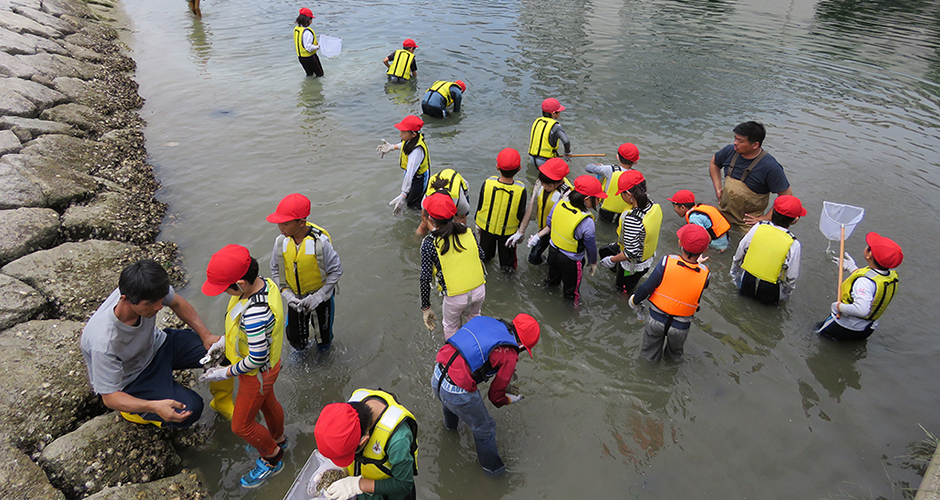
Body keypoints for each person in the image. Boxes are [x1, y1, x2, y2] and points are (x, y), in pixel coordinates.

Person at [80, 260, 219, 428]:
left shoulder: (147, 289)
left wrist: (206, 335)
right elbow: (109, 397)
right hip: (134, 376)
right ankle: (138, 413)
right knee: (191, 410)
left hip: (158, 345)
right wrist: (153, 406)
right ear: (125, 299)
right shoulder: (104, 342)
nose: (160, 307)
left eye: (160, 300)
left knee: (220, 352)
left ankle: (223, 402)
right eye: (151, 304)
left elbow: (177, 302)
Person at [200, 245, 288, 488]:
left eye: (226, 288)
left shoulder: (256, 314)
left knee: (241, 425)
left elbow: (256, 358)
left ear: (240, 284)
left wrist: (224, 372)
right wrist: (222, 344)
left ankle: (273, 457)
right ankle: (279, 439)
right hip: (270, 367)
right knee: (269, 403)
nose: (224, 293)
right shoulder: (265, 284)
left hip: (256, 373)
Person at [431, 314, 540, 475]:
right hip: (457, 391)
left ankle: (450, 430)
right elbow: (495, 397)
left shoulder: (487, 321)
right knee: (486, 429)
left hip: (438, 373)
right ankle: (494, 472)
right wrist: (508, 399)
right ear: (522, 345)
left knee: (450, 404)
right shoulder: (510, 355)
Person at [267, 193, 342, 351]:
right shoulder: (280, 242)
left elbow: (336, 270)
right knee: (294, 337)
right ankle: (299, 356)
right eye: (279, 224)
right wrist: (287, 294)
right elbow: (275, 269)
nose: (281, 228)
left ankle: (324, 359)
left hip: (321, 297)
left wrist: (319, 296)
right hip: (295, 298)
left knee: (324, 336)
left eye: (285, 224)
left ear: (301, 222)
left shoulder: (320, 243)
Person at [314, 389, 418, 500]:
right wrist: (335, 465)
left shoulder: (398, 440)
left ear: (363, 440)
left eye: (349, 455)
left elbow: (404, 485)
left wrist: (359, 485)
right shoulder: (348, 411)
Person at [629, 224, 711, 362]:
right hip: (680, 326)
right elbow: (693, 282)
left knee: (648, 356)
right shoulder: (706, 274)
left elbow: (647, 287)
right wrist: (698, 264)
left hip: (656, 320)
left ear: (680, 243)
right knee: (674, 356)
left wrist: (634, 301)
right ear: (705, 249)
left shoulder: (666, 262)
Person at [419, 192, 486, 339]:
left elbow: (425, 278)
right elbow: (482, 255)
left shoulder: (430, 243)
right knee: (474, 318)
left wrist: (426, 308)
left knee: (451, 327)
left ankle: (453, 358)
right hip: (479, 290)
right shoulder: (468, 231)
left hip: (455, 298)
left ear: (430, 218)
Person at [815, 232, 902, 341]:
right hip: (866, 329)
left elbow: (862, 309)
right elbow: (873, 287)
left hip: (843, 326)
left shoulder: (864, 282)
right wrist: (853, 268)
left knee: (815, 335)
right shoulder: (890, 277)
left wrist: (837, 307)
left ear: (869, 254)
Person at [708, 121, 792, 228]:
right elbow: (714, 163)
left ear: (755, 145)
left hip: (747, 222)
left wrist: (766, 217)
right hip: (723, 212)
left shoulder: (770, 167)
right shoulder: (730, 151)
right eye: (735, 138)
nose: (735, 143)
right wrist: (718, 188)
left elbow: (787, 196)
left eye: (740, 141)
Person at [730, 195, 805, 305]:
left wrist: (734, 273)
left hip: (747, 279)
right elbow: (791, 276)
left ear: (773, 211)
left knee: (742, 303)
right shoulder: (794, 244)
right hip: (770, 288)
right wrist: (786, 295)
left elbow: (741, 250)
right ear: (795, 220)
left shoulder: (758, 227)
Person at [543, 175, 606, 305]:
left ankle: (545, 302)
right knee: (572, 292)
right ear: (587, 200)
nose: (599, 201)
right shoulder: (586, 221)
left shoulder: (560, 203)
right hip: (571, 260)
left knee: (551, 281)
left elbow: (549, 222)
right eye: (598, 198)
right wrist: (593, 262)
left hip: (553, 251)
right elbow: (590, 246)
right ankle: (571, 313)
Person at [599, 170, 663, 294]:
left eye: (621, 194)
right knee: (604, 250)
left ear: (628, 194)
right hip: (644, 253)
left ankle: (624, 301)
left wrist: (611, 260)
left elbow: (630, 253)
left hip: (633, 264)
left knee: (622, 289)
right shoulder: (652, 205)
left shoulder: (633, 220)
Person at [508, 157, 571, 265]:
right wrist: (521, 231)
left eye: (549, 185)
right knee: (533, 259)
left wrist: (538, 235)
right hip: (543, 228)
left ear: (560, 181)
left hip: (557, 232)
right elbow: (532, 206)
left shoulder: (567, 194)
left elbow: (558, 220)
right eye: (543, 183)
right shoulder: (540, 183)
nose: (545, 187)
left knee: (554, 262)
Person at [475, 148, 528, 271]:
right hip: (508, 235)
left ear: (497, 167)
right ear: (519, 169)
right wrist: (520, 232)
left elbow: (481, 204)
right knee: (507, 266)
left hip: (486, 230)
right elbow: (521, 213)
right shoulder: (521, 189)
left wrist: (478, 225)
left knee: (484, 259)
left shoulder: (488, 183)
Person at [376, 115, 430, 214]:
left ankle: (420, 219)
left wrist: (403, 194)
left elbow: (410, 173)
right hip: (413, 175)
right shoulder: (411, 139)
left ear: (413, 134)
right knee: (407, 199)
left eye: (403, 132)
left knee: (412, 205)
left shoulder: (416, 152)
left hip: (420, 178)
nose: (400, 134)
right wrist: (392, 147)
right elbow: (404, 144)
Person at [584, 142, 640, 223]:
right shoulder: (637, 176)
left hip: (606, 211)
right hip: (623, 213)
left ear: (617, 156)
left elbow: (588, 168)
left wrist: (599, 165)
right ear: (635, 162)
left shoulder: (609, 170)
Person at [667, 189, 731, 252]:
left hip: (717, 246)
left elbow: (705, 238)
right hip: (725, 239)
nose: (674, 209)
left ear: (682, 208)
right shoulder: (701, 208)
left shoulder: (694, 219)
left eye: (674, 206)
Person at [417, 168, 470, 236]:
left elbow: (461, 217)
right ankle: (414, 241)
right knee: (423, 225)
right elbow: (424, 216)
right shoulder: (427, 198)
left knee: (459, 227)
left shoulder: (460, 201)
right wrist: (434, 230)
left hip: (458, 188)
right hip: (438, 186)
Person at [528, 98, 571, 167]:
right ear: (553, 113)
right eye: (559, 112)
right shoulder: (556, 126)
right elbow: (566, 141)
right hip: (545, 161)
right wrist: (567, 152)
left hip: (532, 158)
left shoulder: (537, 121)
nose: (560, 113)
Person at [294, 8, 324, 77]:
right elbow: (308, 47)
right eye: (311, 19)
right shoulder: (307, 32)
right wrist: (317, 46)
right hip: (310, 58)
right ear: (308, 20)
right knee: (320, 75)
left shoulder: (297, 29)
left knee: (309, 74)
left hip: (301, 58)